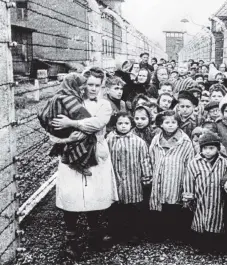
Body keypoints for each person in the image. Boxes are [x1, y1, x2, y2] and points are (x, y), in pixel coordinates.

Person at [50, 67, 118, 260]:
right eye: (90, 85)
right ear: (83, 84)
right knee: (72, 194)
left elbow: (96, 123)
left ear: (102, 86)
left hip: (96, 153)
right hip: (70, 156)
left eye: (98, 85)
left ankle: (94, 236)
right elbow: (54, 125)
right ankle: (71, 241)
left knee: (94, 195)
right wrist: (64, 138)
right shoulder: (72, 102)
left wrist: (72, 124)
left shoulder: (104, 105)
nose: (93, 89)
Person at [106, 112, 152, 245]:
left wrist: (146, 177)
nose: (123, 126)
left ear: (131, 125)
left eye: (126, 123)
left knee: (133, 209)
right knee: (116, 209)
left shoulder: (138, 142)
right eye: (120, 123)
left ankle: (134, 233)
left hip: (133, 181)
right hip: (115, 180)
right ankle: (116, 232)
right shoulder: (109, 140)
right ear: (115, 125)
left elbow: (144, 160)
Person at [38, 73, 97, 176]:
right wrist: (90, 119)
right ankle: (77, 162)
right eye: (80, 86)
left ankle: (65, 152)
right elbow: (83, 115)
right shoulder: (69, 98)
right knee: (89, 136)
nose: (82, 89)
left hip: (54, 127)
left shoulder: (56, 96)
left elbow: (41, 113)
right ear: (73, 85)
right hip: (62, 127)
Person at [149, 110, 195, 241]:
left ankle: (175, 234)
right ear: (161, 124)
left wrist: (187, 183)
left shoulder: (185, 141)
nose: (170, 125)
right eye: (167, 122)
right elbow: (151, 156)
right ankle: (159, 233)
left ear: (178, 124)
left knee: (174, 205)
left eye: (173, 122)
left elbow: (189, 162)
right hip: (159, 177)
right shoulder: (156, 139)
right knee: (159, 205)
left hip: (176, 177)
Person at [183, 132, 227, 253]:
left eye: (211, 148)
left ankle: (214, 245)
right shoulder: (194, 163)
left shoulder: (224, 163)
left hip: (217, 198)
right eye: (205, 148)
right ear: (201, 149)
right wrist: (189, 196)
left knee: (217, 221)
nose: (208, 151)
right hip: (201, 197)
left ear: (218, 149)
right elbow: (189, 180)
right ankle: (200, 245)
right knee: (200, 219)